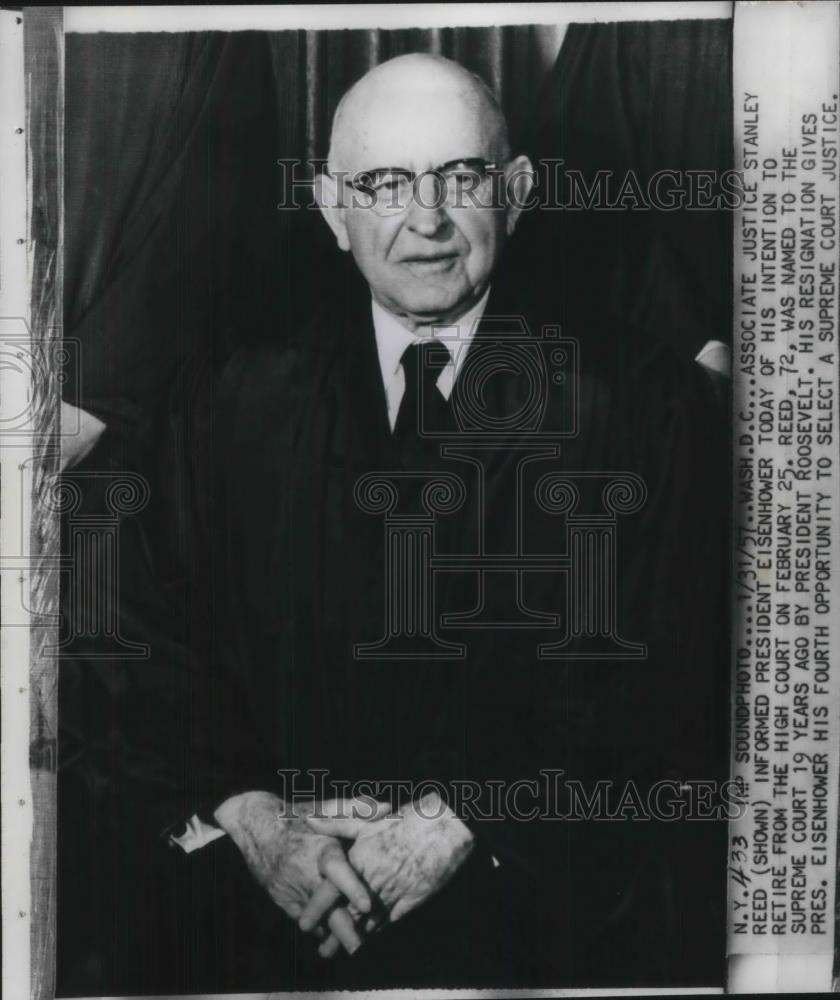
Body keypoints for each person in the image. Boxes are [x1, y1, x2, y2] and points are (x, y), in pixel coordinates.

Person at [57, 53, 729, 995]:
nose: (425, 220)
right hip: (260, 920)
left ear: (520, 190)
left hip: (546, 921)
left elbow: (676, 673)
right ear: (333, 210)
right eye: (383, 183)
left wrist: (467, 816)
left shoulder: (644, 405)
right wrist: (255, 818)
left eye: (461, 178)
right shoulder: (227, 396)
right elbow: (128, 634)